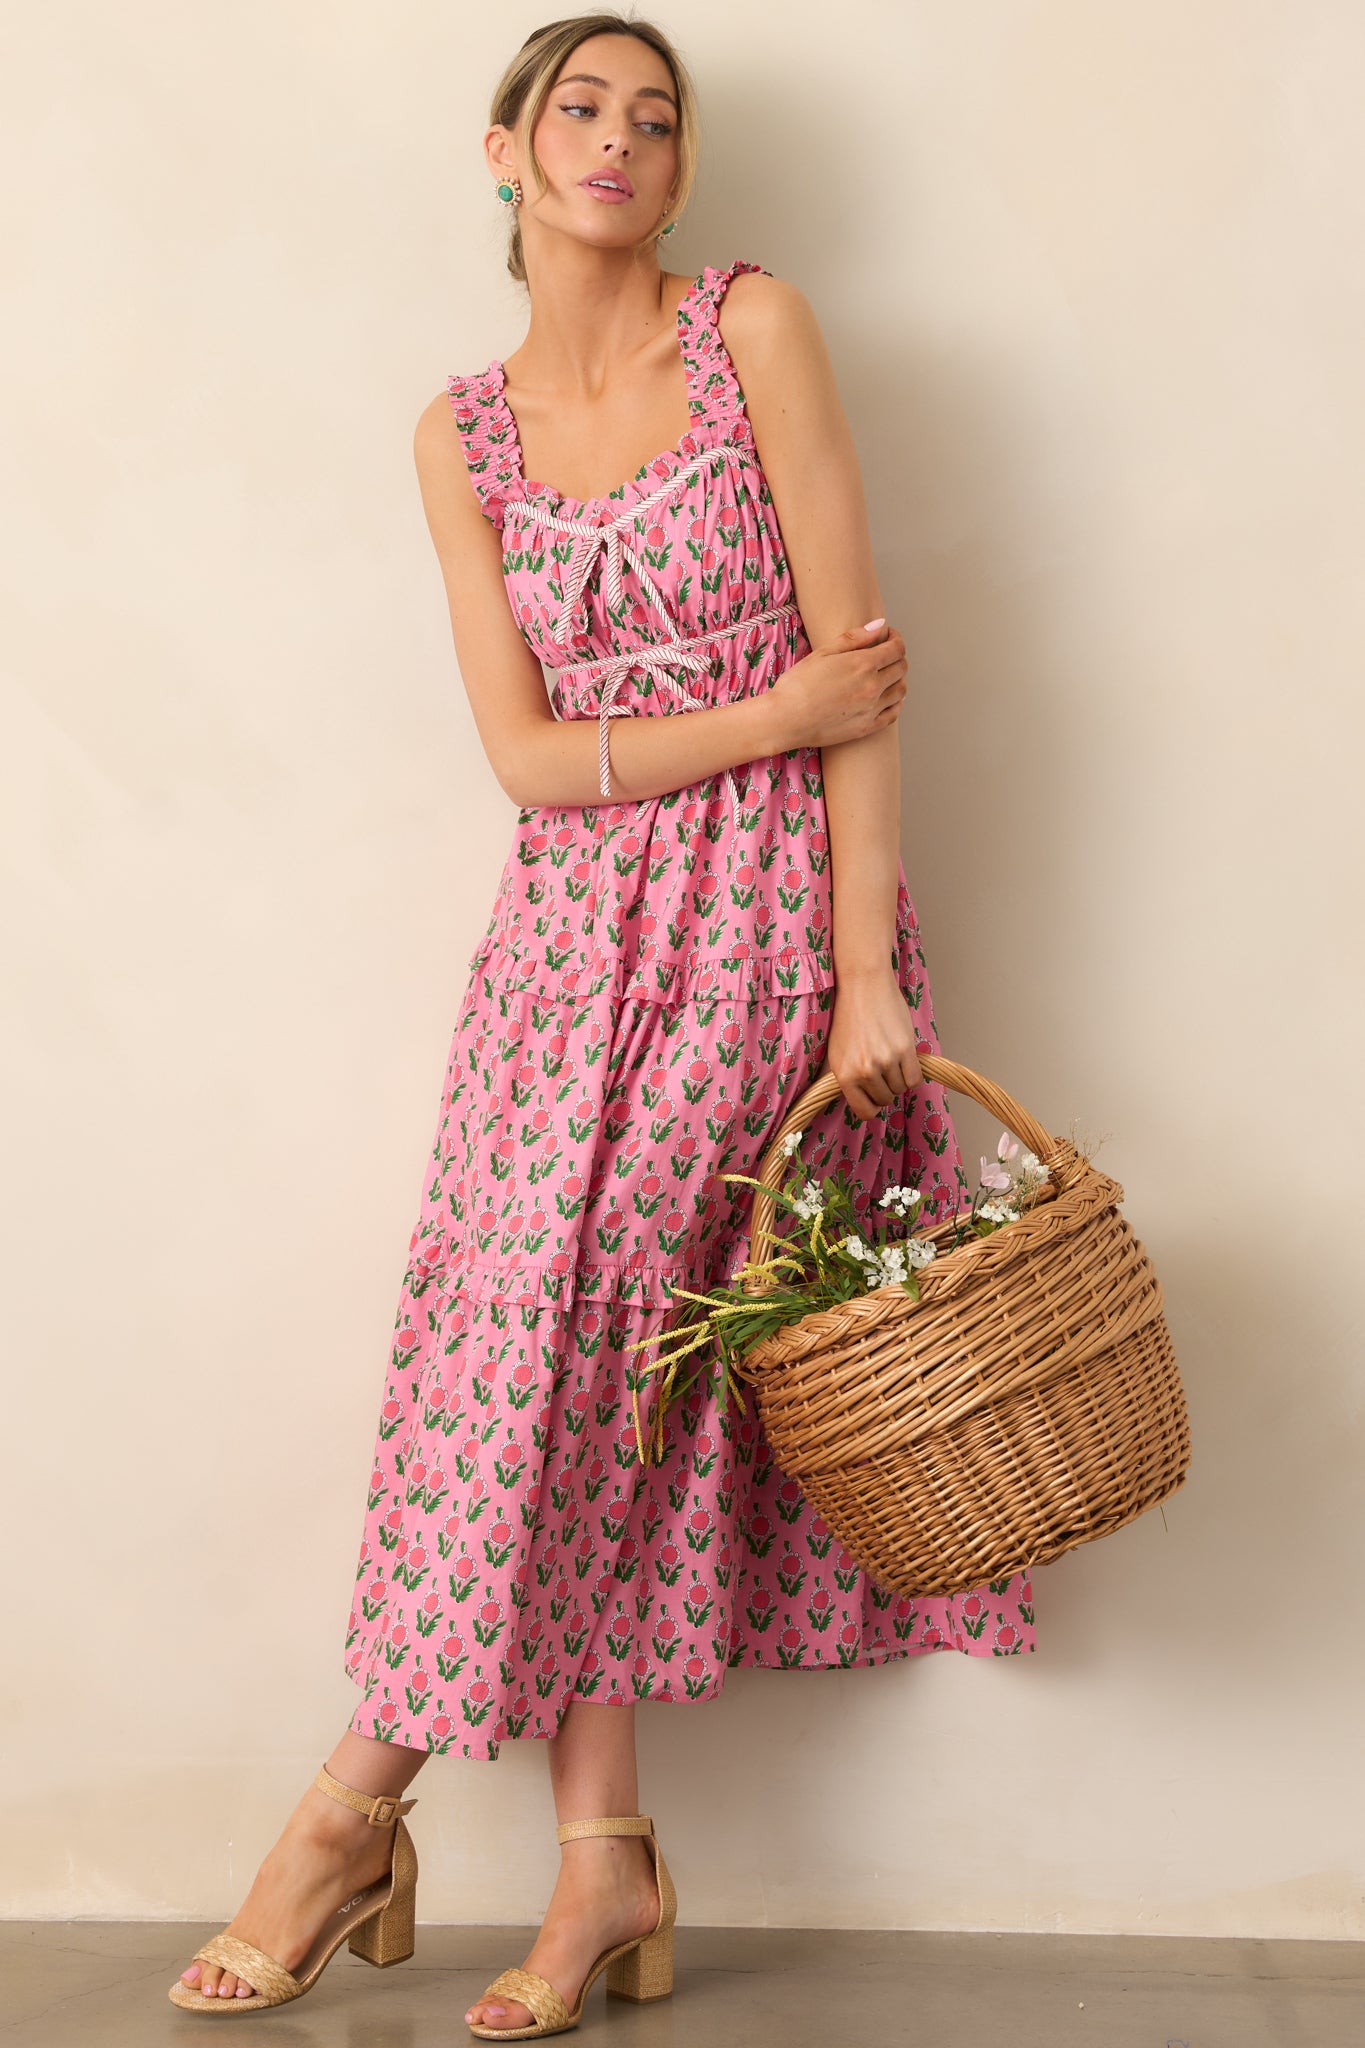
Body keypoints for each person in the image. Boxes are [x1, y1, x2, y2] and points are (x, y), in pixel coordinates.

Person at [169, 10, 1036, 2035]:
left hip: (757, 919)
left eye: (656, 116)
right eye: (579, 106)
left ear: (679, 167)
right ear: (504, 151)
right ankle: (598, 1862)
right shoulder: (458, 434)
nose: (619, 139)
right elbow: (524, 758)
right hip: (562, 944)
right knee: (522, 1346)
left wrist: (862, 971)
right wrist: (761, 712)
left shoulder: (753, 332)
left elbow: (857, 681)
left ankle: (346, 1812)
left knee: (596, 1348)